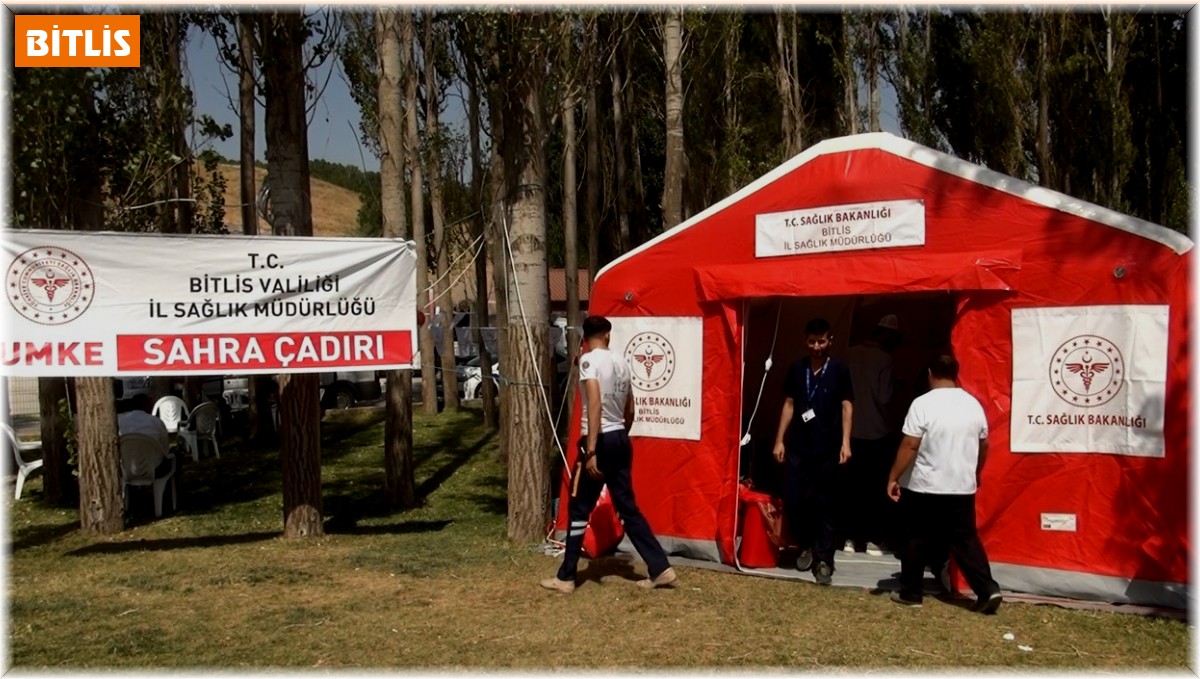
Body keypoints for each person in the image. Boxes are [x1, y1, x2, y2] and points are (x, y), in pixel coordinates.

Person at [541, 315, 677, 593]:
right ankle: (660, 567)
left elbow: (594, 405)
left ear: (586, 336)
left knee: (579, 508)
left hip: (599, 439)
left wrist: (591, 450)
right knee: (628, 509)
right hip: (619, 437)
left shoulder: (589, 362)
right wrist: (621, 434)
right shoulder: (622, 362)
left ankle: (566, 576)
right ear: (607, 335)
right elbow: (631, 407)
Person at [886, 354, 1002, 613]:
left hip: (925, 484)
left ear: (929, 373)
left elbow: (910, 443)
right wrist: (976, 471)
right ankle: (988, 589)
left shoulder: (922, 404)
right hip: (961, 484)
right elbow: (984, 444)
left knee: (915, 537)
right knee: (965, 539)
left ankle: (911, 592)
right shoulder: (973, 404)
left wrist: (893, 476)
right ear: (956, 374)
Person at [772, 317, 853, 586]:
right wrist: (779, 440)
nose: (816, 346)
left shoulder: (840, 370)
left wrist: (846, 442)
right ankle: (804, 545)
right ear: (805, 340)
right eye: (812, 341)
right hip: (799, 448)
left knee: (826, 504)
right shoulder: (797, 368)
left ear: (830, 340)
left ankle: (824, 560)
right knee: (795, 500)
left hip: (828, 449)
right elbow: (790, 403)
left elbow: (846, 407)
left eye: (821, 341)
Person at [840, 314, 901, 556]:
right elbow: (884, 397)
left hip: (851, 431)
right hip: (877, 432)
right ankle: (874, 538)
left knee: (851, 488)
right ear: (888, 336)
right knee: (875, 489)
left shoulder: (849, 353)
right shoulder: (884, 359)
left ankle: (849, 538)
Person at [117, 392, 173, 477]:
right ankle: (166, 488)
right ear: (146, 405)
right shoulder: (156, 422)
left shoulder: (120, 421)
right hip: (155, 468)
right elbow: (165, 448)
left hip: (125, 468)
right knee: (176, 457)